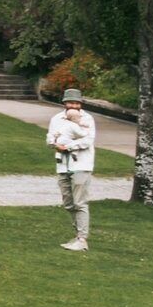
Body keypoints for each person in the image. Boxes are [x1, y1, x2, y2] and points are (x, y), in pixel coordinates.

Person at [47, 91, 98, 251]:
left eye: (77, 103)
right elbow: (50, 137)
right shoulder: (56, 119)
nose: (74, 106)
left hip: (82, 164)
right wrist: (55, 144)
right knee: (68, 204)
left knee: (80, 202)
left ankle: (82, 239)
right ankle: (78, 236)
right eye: (71, 103)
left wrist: (68, 146)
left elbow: (87, 140)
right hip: (62, 165)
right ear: (64, 103)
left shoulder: (87, 119)